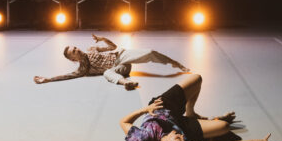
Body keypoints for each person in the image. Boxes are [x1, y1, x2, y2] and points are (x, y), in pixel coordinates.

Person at [120, 74, 281, 141]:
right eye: (183, 140)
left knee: (196, 79)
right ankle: (193, 118)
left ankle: (191, 111)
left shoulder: (145, 139)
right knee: (224, 127)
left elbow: (123, 121)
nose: (182, 138)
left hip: (160, 108)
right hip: (178, 122)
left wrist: (145, 109)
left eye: (178, 138)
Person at [33, 34, 189, 90]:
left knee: (149, 52)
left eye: (75, 48)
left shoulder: (91, 49)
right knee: (107, 73)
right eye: (74, 52)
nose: (77, 50)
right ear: (73, 59)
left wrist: (102, 39)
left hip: (121, 56)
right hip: (120, 70)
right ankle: (126, 84)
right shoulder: (82, 69)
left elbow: (113, 47)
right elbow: (66, 76)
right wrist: (47, 79)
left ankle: (176, 64)